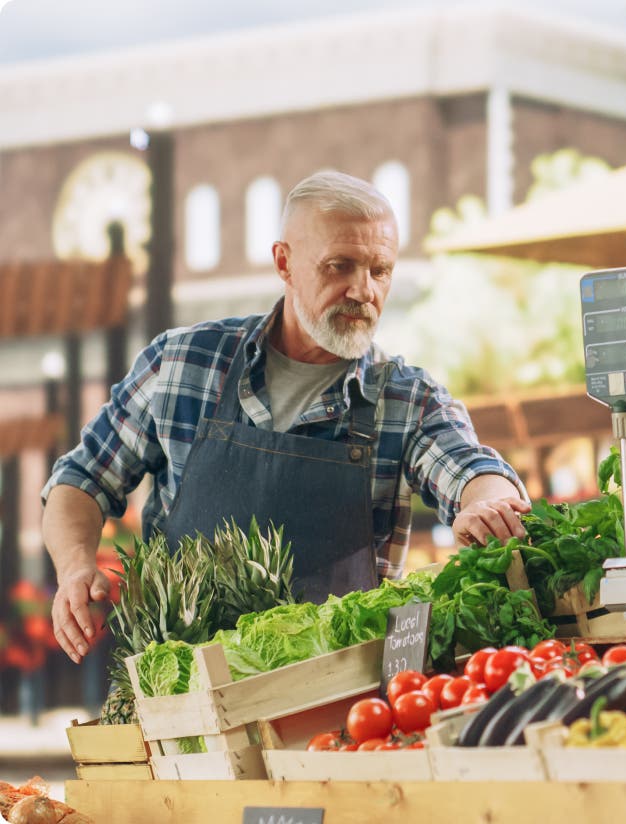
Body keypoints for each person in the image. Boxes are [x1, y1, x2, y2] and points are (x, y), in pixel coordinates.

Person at [43, 170, 530, 663]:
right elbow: (80, 481)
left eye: (380, 270)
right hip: (180, 695)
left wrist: (486, 504)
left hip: (339, 712)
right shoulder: (181, 363)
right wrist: (76, 566)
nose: (364, 291)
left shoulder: (407, 400)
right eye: (340, 266)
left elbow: (471, 468)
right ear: (284, 262)